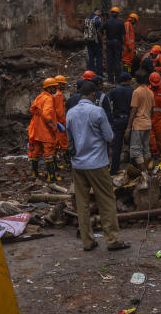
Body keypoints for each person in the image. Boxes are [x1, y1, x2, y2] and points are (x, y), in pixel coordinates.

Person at [65, 80, 130, 252]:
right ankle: (112, 239)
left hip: (78, 164)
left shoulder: (70, 113)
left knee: (82, 203)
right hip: (97, 163)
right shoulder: (97, 111)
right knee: (106, 200)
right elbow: (109, 137)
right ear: (93, 94)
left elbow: (69, 139)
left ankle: (87, 241)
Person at [27, 78, 64, 182]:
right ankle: (51, 177)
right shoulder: (48, 98)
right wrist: (54, 126)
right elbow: (46, 114)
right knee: (49, 154)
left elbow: (32, 109)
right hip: (46, 132)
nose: (56, 89)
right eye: (54, 87)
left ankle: (35, 173)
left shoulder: (40, 96)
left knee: (36, 152)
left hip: (37, 131)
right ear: (49, 88)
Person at [124, 69, 154, 172]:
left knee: (136, 150)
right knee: (145, 149)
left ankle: (144, 173)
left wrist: (128, 128)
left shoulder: (136, 92)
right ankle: (145, 173)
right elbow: (152, 110)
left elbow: (133, 111)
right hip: (147, 124)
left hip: (138, 125)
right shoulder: (150, 92)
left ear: (136, 80)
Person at [107, 73, 134, 174]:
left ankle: (114, 170)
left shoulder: (114, 91)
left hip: (117, 120)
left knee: (116, 146)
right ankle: (132, 169)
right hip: (129, 120)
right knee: (132, 145)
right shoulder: (132, 91)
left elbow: (107, 103)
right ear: (127, 80)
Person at [103, 6, 125, 83]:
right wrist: (123, 44)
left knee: (109, 61)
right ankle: (118, 80)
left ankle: (110, 80)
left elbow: (100, 31)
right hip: (117, 43)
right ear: (118, 14)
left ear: (111, 13)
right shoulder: (121, 22)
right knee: (117, 61)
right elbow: (123, 36)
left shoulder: (107, 22)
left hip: (109, 42)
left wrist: (104, 40)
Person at [53, 74, 70, 169]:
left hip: (53, 123)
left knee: (55, 145)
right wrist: (64, 123)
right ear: (58, 84)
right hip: (59, 123)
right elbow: (60, 112)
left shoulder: (52, 93)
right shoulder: (58, 94)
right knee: (64, 144)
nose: (64, 86)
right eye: (62, 84)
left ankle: (55, 166)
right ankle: (69, 164)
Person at [83, 8, 104, 76]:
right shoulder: (97, 18)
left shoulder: (87, 18)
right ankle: (99, 72)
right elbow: (100, 29)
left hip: (88, 41)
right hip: (96, 41)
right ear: (98, 12)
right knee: (98, 57)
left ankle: (91, 73)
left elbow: (83, 29)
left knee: (91, 57)